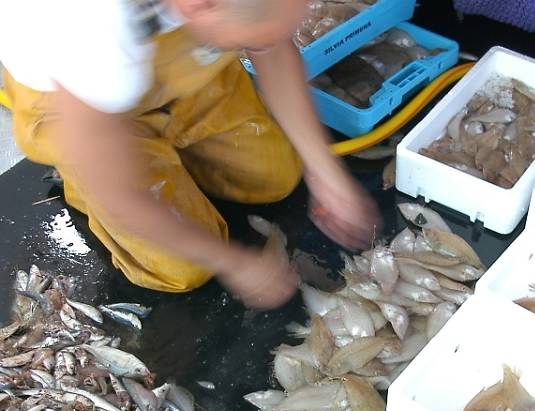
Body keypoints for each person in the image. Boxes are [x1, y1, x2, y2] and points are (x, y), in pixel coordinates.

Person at [0, 0, 381, 308]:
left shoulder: (214, 11)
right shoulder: (92, 29)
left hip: (180, 72)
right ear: (201, 6)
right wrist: (232, 262)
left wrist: (325, 171)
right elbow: (121, 196)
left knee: (277, 177)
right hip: (80, 110)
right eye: (241, 43)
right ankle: (91, 169)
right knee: (184, 268)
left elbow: (275, 46)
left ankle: (171, 143)